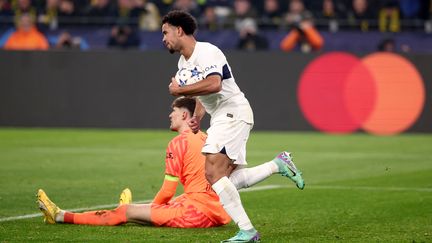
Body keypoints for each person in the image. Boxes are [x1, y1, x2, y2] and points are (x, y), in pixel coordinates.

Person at [163, 10, 305, 242]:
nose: (163, 38)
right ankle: (278, 164)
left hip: (233, 111)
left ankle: (248, 231)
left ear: (179, 30)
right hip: (223, 115)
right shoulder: (183, 63)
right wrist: (198, 117)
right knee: (226, 179)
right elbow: (201, 96)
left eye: (165, 32)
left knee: (211, 172)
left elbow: (214, 84)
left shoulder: (207, 51)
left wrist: (179, 91)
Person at [37, 97, 231, 228]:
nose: (169, 115)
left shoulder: (178, 143)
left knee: (124, 212)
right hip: (215, 208)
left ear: (184, 115)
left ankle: (59, 215)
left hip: (197, 212)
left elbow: (167, 191)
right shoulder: (206, 138)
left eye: (173, 111)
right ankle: (137, 211)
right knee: (166, 204)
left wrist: (152, 209)